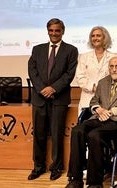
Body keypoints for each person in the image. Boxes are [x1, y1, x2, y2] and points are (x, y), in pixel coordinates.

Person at [66, 56, 117, 188]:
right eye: (111, 66)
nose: (114, 69)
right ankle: (75, 179)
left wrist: (114, 111)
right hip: (98, 118)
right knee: (77, 130)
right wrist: (99, 109)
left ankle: (95, 183)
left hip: (116, 122)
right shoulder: (103, 82)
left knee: (94, 135)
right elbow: (94, 101)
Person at [28, 18, 78, 181]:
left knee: (57, 135)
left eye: (57, 30)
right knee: (39, 135)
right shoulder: (37, 49)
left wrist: (53, 88)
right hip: (39, 98)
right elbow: (32, 70)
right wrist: (42, 88)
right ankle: (38, 167)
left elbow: (69, 74)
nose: (54, 33)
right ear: (47, 31)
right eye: (51, 30)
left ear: (62, 31)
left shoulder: (71, 50)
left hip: (59, 98)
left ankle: (56, 167)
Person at [76, 26, 116, 115]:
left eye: (98, 35)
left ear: (105, 38)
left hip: (106, 98)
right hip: (87, 98)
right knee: (85, 125)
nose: (95, 38)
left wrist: (102, 89)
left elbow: (116, 78)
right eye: (93, 36)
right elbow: (80, 77)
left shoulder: (113, 57)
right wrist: (93, 88)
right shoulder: (84, 57)